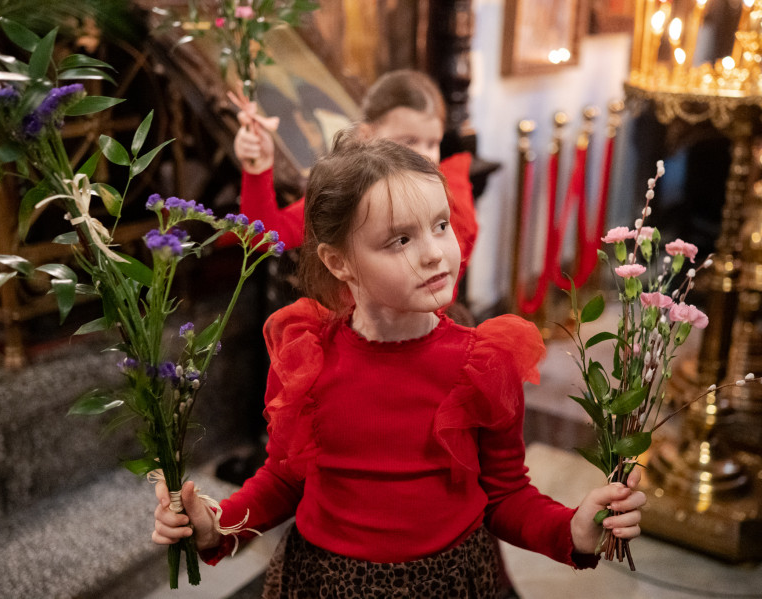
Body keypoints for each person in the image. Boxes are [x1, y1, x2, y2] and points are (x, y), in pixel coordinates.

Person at [152, 133, 646, 598]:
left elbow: (506, 494)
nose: (434, 253)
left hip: (450, 581)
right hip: (325, 581)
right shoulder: (309, 355)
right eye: (400, 240)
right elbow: (284, 479)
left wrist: (571, 529)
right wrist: (216, 526)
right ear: (339, 262)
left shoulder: (482, 363)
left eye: (440, 225)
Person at [224, 68, 478, 287]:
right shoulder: (346, 195)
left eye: (433, 143)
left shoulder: (446, 196)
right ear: (367, 135)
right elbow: (263, 236)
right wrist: (258, 168)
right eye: (409, 141)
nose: (424, 154)